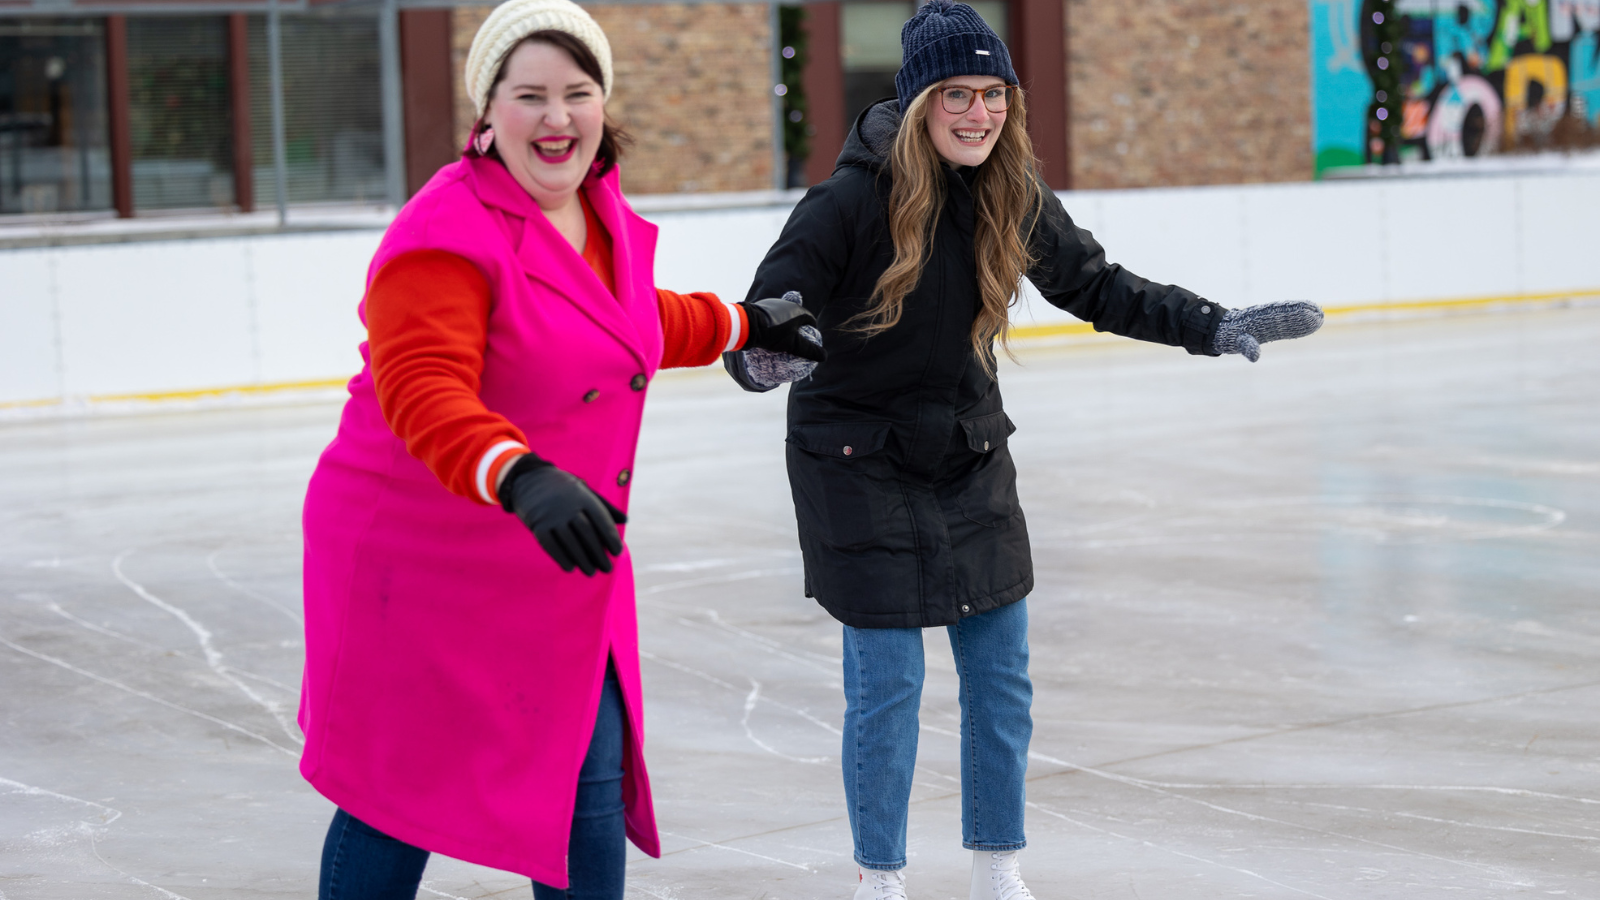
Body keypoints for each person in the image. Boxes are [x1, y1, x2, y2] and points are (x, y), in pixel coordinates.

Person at [740, 3, 1324, 898]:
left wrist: (1210, 325)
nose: (979, 114)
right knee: (888, 687)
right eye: (959, 95)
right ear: (922, 100)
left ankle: (997, 868)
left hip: (966, 453)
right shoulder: (850, 199)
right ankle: (880, 878)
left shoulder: (1012, 190)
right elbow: (770, 309)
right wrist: (766, 352)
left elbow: (1097, 285)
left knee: (1001, 678)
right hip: (855, 462)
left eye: (995, 95)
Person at [296, 1, 824, 898]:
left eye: (577, 94)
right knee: (397, 795)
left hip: (558, 550)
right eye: (529, 95)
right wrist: (521, 473)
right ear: (487, 112)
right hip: (418, 555)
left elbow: (619, 318)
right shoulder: (444, 232)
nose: (556, 118)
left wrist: (740, 323)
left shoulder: (594, 204)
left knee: (588, 774)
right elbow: (422, 387)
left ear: (602, 105)